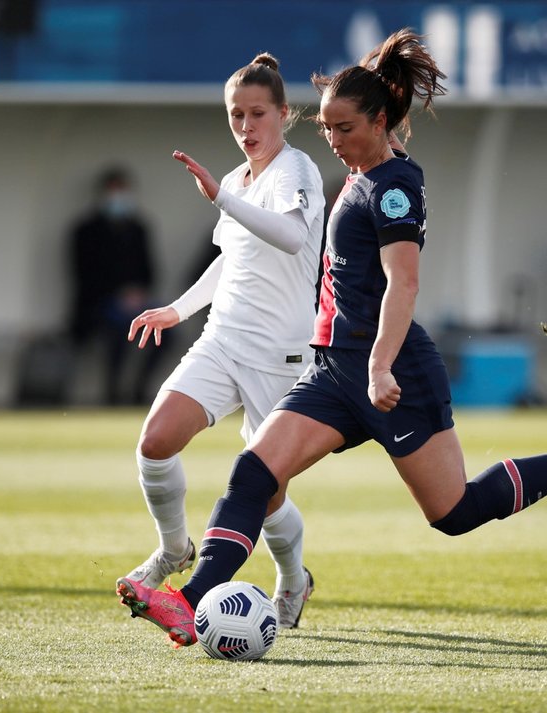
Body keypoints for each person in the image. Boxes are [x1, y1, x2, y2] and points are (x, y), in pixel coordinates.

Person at [116, 29, 547, 648]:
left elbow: (404, 283)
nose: (333, 142)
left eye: (344, 129)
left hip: (392, 371)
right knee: (254, 473)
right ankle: (187, 602)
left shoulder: (395, 186)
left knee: (453, 513)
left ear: (378, 122)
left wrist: (379, 365)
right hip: (332, 369)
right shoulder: (367, 166)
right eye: (325, 129)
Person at [118, 53, 326, 629]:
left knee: (267, 490)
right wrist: (176, 308)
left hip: (281, 355)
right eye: (236, 115)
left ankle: (293, 578)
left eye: (257, 113)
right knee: (156, 442)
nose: (246, 127)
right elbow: (229, 262)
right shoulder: (236, 180)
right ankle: (172, 550)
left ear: (284, 113)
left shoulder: (296, 171)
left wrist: (220, 198)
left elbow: (288, 237)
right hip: (222, 341)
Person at [68, 166, 161, 405]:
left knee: (166, 331)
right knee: (120, 330)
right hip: (99, 304)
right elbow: (83, 274)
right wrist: (119, 294)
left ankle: (139, 390)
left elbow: (150, 271)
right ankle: (113, 394)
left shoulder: (138, 229)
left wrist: (138, 293)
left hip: (137, 303)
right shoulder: (85, 230)